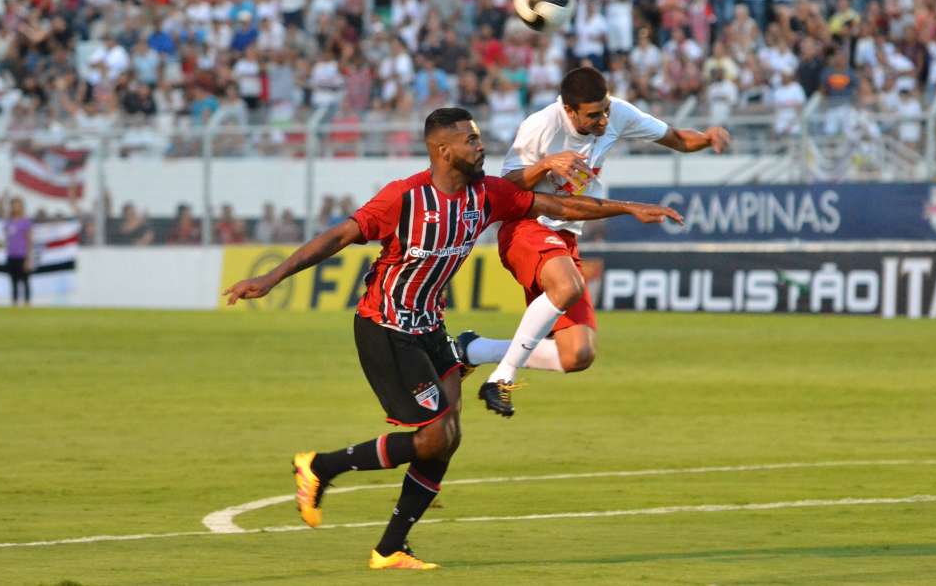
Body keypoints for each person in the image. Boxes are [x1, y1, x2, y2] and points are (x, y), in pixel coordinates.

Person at [222, 107, 683, 570]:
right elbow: (340, 234)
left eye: (479, 138)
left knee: (449, 436)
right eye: (471, 140)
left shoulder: (487, 194)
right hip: (386, 327)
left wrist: (628, 209)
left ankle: (390, 549)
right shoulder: (405, 197)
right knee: (434, 436)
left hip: (430, 327)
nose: (480, 146)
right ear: (443, 150)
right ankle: (321, 467)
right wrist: (272, 277)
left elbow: (559, 207)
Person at [462, 67, 730, 417]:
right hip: (525, 226)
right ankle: (501, 379)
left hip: (567, 233)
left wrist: (708, 138)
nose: (603, 119)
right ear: (569, 111)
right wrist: (545, 165)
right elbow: (507, 188)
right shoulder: (541, 125)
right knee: (569, 284)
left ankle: (474, 350)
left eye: (604, 110)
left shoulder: (617, 113)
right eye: (593, 114)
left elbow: (676, 138)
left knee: (577, 355)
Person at [3, 197, 33, 306]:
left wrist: (28, 257)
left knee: (25, 280)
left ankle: (27, 303)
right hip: (11, 255)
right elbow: (6, 239)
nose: (15, 207)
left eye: (18, 204)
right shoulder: (8, 222)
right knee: (13, 281)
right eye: (14, 205)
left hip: (22, 255)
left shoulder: (25, 222)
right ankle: (14, 303)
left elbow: (29, 240)